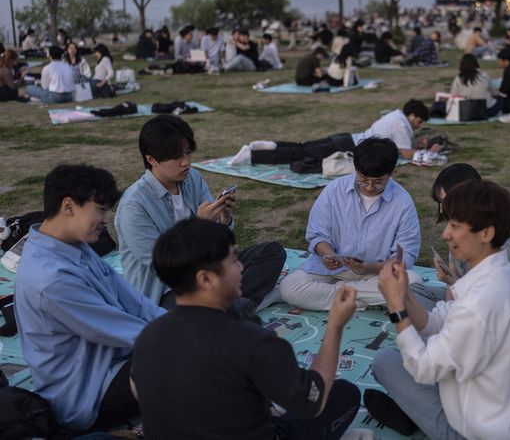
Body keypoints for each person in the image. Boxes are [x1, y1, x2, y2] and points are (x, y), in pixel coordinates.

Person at [131, 219, 360, 440]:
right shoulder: (254, 342)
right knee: (344, 394)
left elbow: (137, 389)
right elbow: (313, 399)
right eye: (233, 261)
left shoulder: (148, 334)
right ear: (206, 279)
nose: (241, 267)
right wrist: (335, 325)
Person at [367, 180, 510, 439]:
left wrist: (397, 308)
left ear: (486, 234)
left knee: (385, 361)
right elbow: (436, 322)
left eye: (455, 226)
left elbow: (422, 367)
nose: (445, 234)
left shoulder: (480, 303)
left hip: (487, 432)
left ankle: (420, 420)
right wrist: (405, 293)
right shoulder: (503, 273)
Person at [14, 164, 164, 431]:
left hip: (112, 359)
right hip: (85, 393)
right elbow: (122, 330)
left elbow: (135, 302)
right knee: (184, 363)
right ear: (69, 206)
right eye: (101, 209)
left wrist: (188, 326)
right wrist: (188, 338)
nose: (105, 219)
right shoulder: (51, 278)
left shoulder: (74, 246)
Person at [115, 114, 287, 307]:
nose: (185, 162)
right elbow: (164, 267)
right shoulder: (134, 205)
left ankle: (234, 306)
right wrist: (199, 226)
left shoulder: (192, 179)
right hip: (166, 290)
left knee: (272, 252)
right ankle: (238, 306)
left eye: (187, 153)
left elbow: (217, 244)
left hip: (205, 271)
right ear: (152, 159)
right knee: (222, 304)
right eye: (176, 156)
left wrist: (224, 219)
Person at [279, 137, 423, 310]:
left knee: (412, 283)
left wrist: (371, 267)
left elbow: (404, 255)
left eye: (378, 182)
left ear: (391, 173)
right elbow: (317, 235)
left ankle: (341, 296)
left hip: (376, 274)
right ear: (355, 169)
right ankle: (365, 299)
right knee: (289, 288)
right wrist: (327, 255)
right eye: (363, 179)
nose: (369, 187)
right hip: (332, 271)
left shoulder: (403, 202)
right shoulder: (334, 190)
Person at [409, 164, 510, 311]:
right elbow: (455, 288)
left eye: (446, 202)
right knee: (410, 292)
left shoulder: (498, 247)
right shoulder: (459, 231)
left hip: (492, 311)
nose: (441, 209)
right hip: (465, 302)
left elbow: (486, 303)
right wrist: (450, 282)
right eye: (440, 202)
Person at [230, 99, 439, 165]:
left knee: (303, 147)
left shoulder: (395, 115)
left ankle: (269, 145)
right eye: (418, 121)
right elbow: (404, 153)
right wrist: (431, 151)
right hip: (347, 146)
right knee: (303, 154)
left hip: (347, 138)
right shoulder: (402, 124)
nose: (418, 125)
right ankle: (254, 155)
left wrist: (417, 145)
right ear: (412, 116)